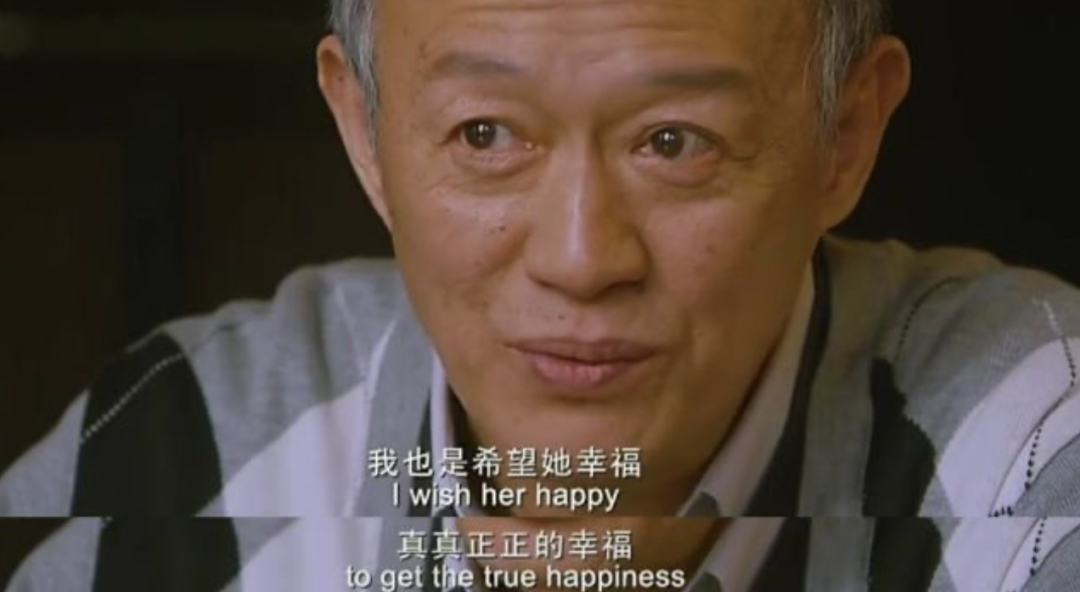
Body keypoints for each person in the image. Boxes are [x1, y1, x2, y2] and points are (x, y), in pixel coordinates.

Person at [2, 0, 1079, 590]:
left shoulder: (1026, 439)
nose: (580, 257)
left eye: (674, 142)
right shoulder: (197, 454)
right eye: (486, 135)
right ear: (365, 132)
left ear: (844, 137)